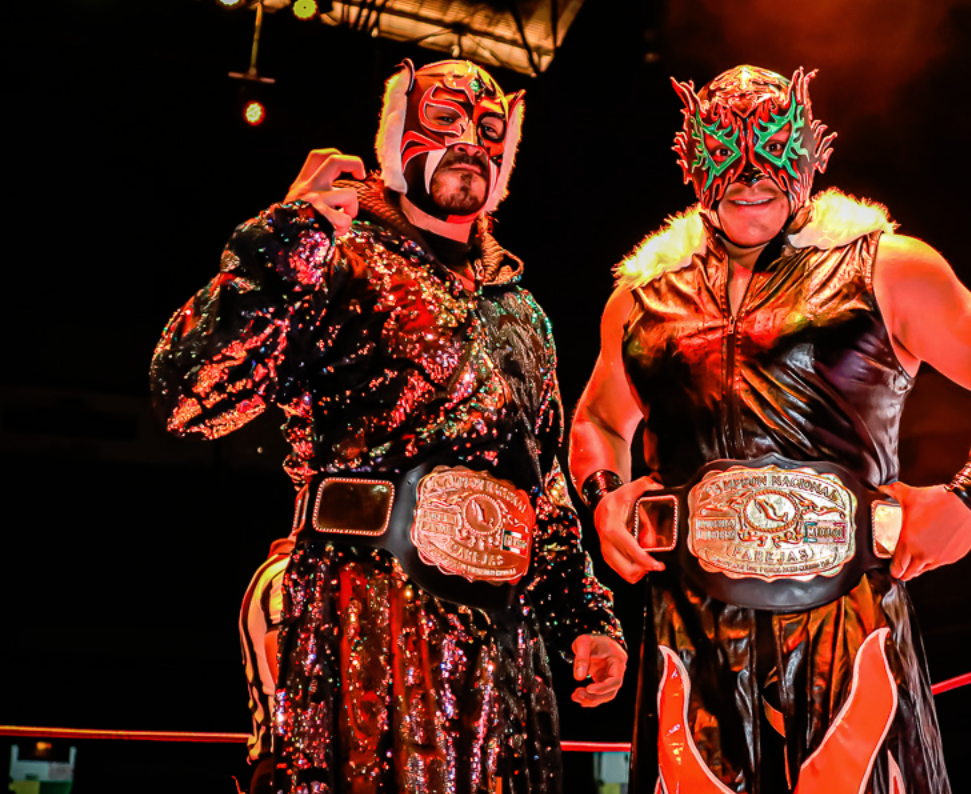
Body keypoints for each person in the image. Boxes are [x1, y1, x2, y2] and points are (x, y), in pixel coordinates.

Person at [568, 65, 971, 793]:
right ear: (691, 158)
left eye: (768, 146)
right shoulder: (642, 297)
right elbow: (597, 417)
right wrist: (605, 495)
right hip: (692, 620)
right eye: (725, 150)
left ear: (809, 151)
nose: (748, 175)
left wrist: (969, 496)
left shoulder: (884, 266)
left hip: (844, 609)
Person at [151, 59, 626, 794]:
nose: (469, 142)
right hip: (367, 608)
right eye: (445, 119)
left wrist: (583, 614)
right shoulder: (336, 255)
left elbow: (543, 484)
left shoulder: (521, 310)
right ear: (397, 132)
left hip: (506, 637)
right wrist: (291, 232)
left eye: (489, 129)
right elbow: (191, 396)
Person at [238, 537, 293, 794]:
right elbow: (283, 664)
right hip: (286, 762)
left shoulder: (281, 569)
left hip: (287, 760)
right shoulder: (287, 572)